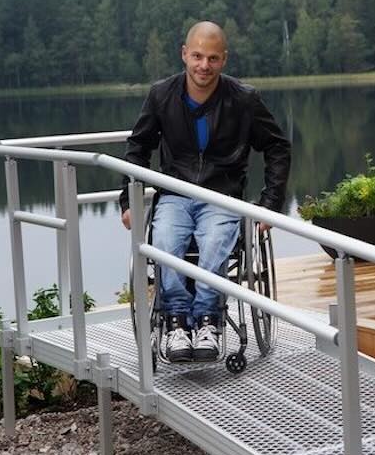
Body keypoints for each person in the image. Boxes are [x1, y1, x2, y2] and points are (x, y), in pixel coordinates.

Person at [119, 21, 290, 362]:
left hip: (221, 196)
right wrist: (128, 201)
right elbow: (137, 149)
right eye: (197, 56)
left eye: (212, 58)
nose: (203, 66)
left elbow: (278, 148)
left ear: (223, 59)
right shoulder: (161, 95)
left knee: (214, 243)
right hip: (174, 194)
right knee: (164, 241)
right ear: (184, 54)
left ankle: (209, 321)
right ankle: (178, 320)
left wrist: (270, 203)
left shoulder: (243, 99)